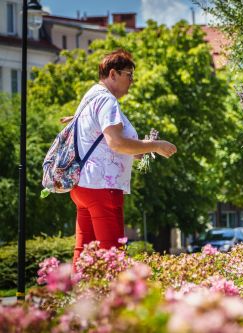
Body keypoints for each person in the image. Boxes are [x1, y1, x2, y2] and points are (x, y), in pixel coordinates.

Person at [69, 49, 177, 268]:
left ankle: (76, 300)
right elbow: (116, 142)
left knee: (84, 255)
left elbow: (104, 142)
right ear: (113, 74)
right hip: (103, 187)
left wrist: (136, 151)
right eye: (129, 74)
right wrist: (155, 145)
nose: (132, 81)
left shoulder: (90, 97)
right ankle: (112, 301)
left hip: (83, 185)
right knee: (111, 256)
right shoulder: (107, 102)